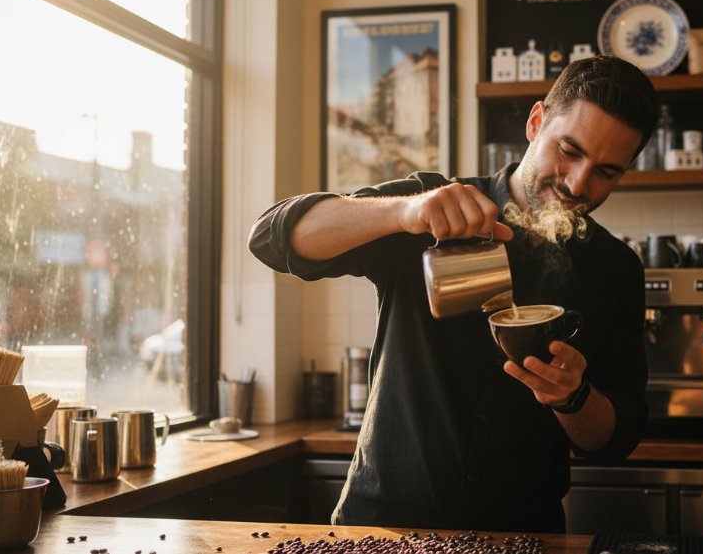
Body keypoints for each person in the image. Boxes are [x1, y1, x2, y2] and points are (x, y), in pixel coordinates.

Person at [248, 55, 659, 532]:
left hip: (521, 536)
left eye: (607, 172)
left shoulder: (614, 268)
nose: (577, 183)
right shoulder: (433, 204)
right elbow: (271, 239)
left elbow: (615, 437)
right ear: (536, 122)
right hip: (383, 529)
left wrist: (574, 397)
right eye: (569, 150)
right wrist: (403, 213)